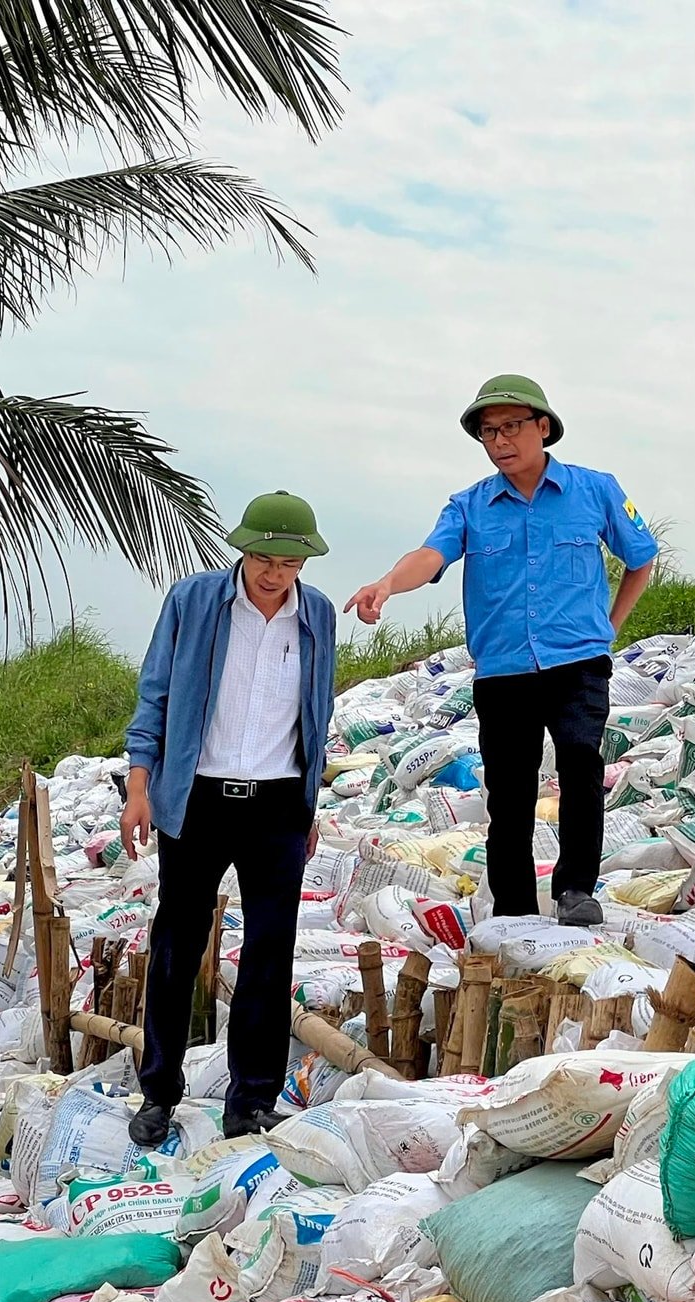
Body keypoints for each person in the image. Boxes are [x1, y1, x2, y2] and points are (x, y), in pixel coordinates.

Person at [347, 375, 658, 926]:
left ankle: (576, 890)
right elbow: (430, 555)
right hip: (503, 670)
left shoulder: (596, 490)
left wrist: (609, 626)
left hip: (578, 662)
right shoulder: (469, 506)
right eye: (489, 432)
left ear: (543, 428)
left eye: (512, 427)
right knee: (509, 790)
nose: (500, 441)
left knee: (582, 766)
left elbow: (641, 556)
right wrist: (387, 584)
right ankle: (512, 904)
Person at [119, 491, 337, 1146]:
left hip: (277, 806)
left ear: (304, 563)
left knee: (269, 955)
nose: (274, 574)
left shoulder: (318, 616)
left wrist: (308, 803)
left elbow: (316, 710)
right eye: (264, 559)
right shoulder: (195, 602)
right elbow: (155, 690)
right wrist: (139, 784)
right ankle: (159, 1091)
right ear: (242, 551)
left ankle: (251, 1102)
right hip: (198, 799)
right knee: (176, 947)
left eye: (288, 563)